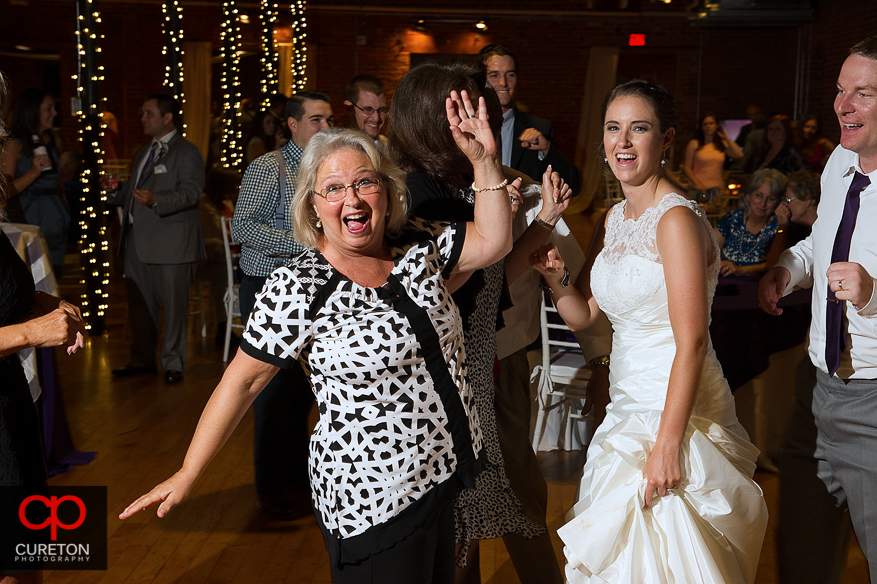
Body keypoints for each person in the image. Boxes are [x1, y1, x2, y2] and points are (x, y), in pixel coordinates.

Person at [120, 109, 514, 583]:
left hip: (445, 475)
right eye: (333, 188)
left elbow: (493, 240)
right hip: (376, 499)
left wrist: (485, 159)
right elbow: (242, 383)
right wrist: (188, 472)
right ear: (312, 206)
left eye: (365, 182)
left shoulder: (418, 248)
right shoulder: (300, 286)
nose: (352, 198)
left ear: (386, 192)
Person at [530, 78, 767, 584]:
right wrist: (556, 279)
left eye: (639, 129)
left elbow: (694, 341)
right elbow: (587, 315)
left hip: (676, 409)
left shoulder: (676, 219)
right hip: (626, 407)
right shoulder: (613, 219)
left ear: (666, 141)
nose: (623, 142)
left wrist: (668, 441)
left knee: (672, 557)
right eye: (613, 128)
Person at [389, 58, 572, 584]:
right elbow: (472, 270)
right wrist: (499, 199)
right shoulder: (418, 193)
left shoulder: (455, 181)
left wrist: (542, 223)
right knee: (459, 517)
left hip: (477, 366)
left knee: (477, 511)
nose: (478, 117)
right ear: (429, 117)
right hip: (440, 380)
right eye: (463, 107)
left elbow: (489, 276)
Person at [758, 35, 877, 584]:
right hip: (816, 391)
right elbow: (822, 242)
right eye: (839, 91)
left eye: (863, 94)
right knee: (801, 554)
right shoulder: (837, 162)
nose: (842, 105)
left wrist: (875, 292)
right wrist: (789, 268)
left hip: (873, 404)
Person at [0, 71, 86, 584]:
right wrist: (34, 334)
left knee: (30, 554)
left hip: (9, 408)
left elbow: (7, 288)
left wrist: (56, 306)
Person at [231, 90, 333, 520]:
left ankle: (295, 481)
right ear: (292, 125)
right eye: (316, 120)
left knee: (300, 395)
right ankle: (270, 493)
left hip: (309, 291)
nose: (325, 128)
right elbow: (242, 225)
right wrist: (303, 244)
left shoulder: (323, 167)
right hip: (266, 289)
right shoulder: (267, 167)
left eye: (329, 119)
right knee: (271, 393)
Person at [106, 93, 205, 384]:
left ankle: (173, 363)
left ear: (167, 117)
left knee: (174, 309)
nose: (143, 119)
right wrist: (114, 192)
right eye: (142, 114)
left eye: (148, 113)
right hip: (138, 241)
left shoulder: (186, 152)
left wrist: (155, 199)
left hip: (173, 243)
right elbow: (131, 194)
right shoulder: (143, 152)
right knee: (139, 306)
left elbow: (191, 191)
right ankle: (142, 360)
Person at [479, 44, 582, 195]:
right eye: (494, 75)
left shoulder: (540, 127)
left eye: (510, 74)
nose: (503, 82)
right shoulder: (466, 126)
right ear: (481, 80)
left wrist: (546, 149)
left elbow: (573, 185)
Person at [0, 88, 70, 275]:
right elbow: (5, 190)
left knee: (55, 274)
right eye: (49, 108)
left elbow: (57, 182)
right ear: (32, 110)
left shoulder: (54, 140)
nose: (54, 113)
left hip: (54, 218)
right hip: (27, 215)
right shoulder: (14, 143)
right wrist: (33, 173)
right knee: (33, 274)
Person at [196, 167, 240, 345]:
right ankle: (224, 326)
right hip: (204, 259)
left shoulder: (226, 203)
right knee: (221, 267)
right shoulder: (204, 202)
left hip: (224, 256)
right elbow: (221, 232)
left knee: (223, 268)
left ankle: (228, 325)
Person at [714, 168, 783, 276]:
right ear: (749, 195)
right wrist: (719, 263)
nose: (763, 203)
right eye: (758, 195)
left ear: (779, 202)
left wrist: (740, 270)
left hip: (759, 285)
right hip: (725, 282)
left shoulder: (779, 227)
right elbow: (707, 253)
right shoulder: (732, 219)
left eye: (770, 199)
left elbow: (775, 265)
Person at [683, 112, 743, 198]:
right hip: (698, 188)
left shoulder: (721, 144)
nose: (708, 126)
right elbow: (687, 167)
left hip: (717, 189)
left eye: (711, 123)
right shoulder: (694, 143)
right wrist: (699, 185)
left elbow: (739, 154)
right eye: (705, 124)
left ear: (717, 125)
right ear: (701, 127)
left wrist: (726, 137)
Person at [344, 74, 389, 147]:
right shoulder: (338, 150)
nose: (376, 118)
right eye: (368, 109)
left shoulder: (389, 150)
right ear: (349, 108)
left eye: (381, 110)